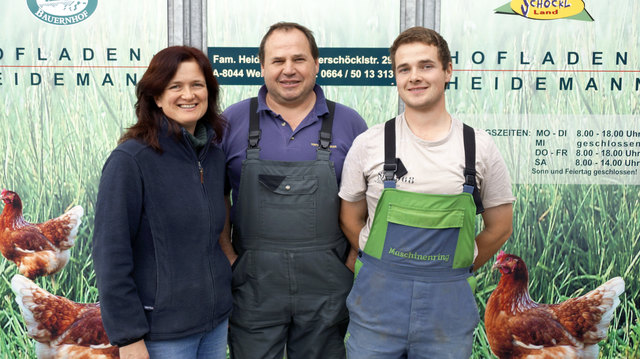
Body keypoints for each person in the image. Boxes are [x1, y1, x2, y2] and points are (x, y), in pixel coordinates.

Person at [339, 27, 515, 358]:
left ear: (449, 70)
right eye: (404, 69)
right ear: (395, 77)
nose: (414, 77)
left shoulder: (479, 146)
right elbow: (350, 217)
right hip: (376, 307)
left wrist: (457, 267)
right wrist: (381, 266)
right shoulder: (370, 144)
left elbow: (500, 226)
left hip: (447, 312)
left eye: (426, 66)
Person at [219, 22, 368, 359]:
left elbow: (369, 201)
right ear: (262, 67)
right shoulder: (232, 122)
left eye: (299, 59)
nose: (289, 70)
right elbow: (214, 198)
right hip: (253, 283)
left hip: (328, 284)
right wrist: (230, 259)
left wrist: (351, 262)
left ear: (316, 64)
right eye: (277, 60)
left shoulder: (350, 123)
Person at [92, 46, 232, 359]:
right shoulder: (130, 160)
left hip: (213, 325)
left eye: (197, 85)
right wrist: (128, 337)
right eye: (175, 86)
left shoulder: (213, 157)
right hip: (161, 334)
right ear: (156, 96)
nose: (188, 95)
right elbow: (110, 254)